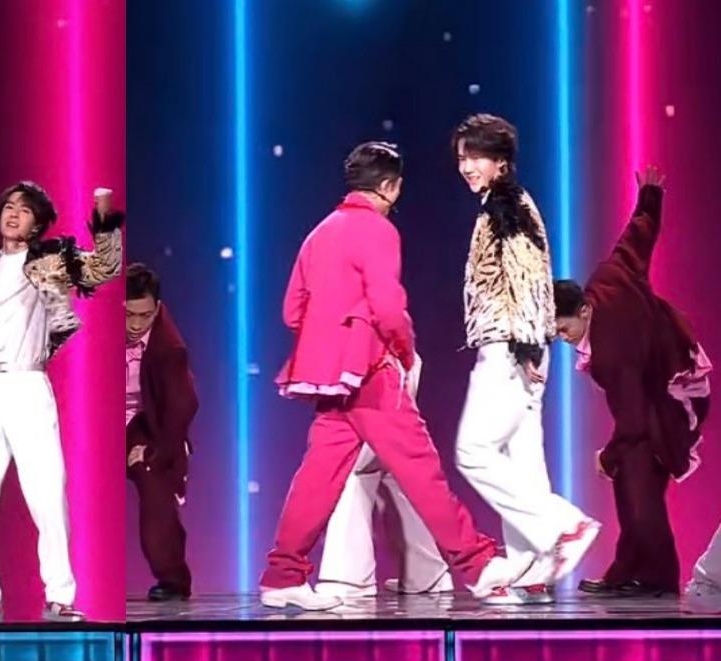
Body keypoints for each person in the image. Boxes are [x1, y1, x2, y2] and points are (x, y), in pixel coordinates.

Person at [259, 141, 529, 611]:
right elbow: (388, 306)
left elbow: (291, 311)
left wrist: (331, 338)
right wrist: (402, 352)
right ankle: (479, 566)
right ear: (391, 186)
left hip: (330, 377)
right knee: (421, 469)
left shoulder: (319, 233)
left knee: (318, 476)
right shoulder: (377, 230)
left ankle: (283, 575)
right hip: (371, 370)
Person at [0, 182, 123, 623]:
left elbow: (105, 268)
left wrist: (104, 215)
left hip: (28, 386)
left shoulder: (50, 262)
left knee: (47, 495)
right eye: (8, 206)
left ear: (38, 224)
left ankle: (60, 596)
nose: (13, 214)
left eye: (24, 210)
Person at [452, 114, 599, 604]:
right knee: (523, 460)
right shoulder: (506, 204)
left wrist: (526, 344)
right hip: (521, 344)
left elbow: (527, 278)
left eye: (476, 156)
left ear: (501, 161)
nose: (467, 166)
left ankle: (562, 526)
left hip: (508, 346)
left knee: (473, 451)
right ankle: (529, 566)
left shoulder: (507, 206)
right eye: (462, 157)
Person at [553, 166, 711, 597]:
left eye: (564, 329)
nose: (563, 339)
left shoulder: (611, 355)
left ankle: (654, 578)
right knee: (634, 480)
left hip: (672, 396)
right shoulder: (608, 279)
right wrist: (650, 198)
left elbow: (635, 422)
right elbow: (635, 240)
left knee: (637, 481)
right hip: (662, 387)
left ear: (584, 310)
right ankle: (634, 573)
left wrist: (607, 457)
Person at [315, 358, 454, 598]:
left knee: (352, 468)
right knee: (389, 468)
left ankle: (348, 577)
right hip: (384, 363)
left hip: (374, 366)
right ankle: (425, 572)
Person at [125, 263, 198, 602]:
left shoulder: (169, 347)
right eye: (128, 315)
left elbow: (181, 407)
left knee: (154, 484)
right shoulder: (94, 332)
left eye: (145, 315)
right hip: (99, 422)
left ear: (157, 309)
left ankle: (172, 580)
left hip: (147, 425)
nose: (136, 324)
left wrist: (156, 452)